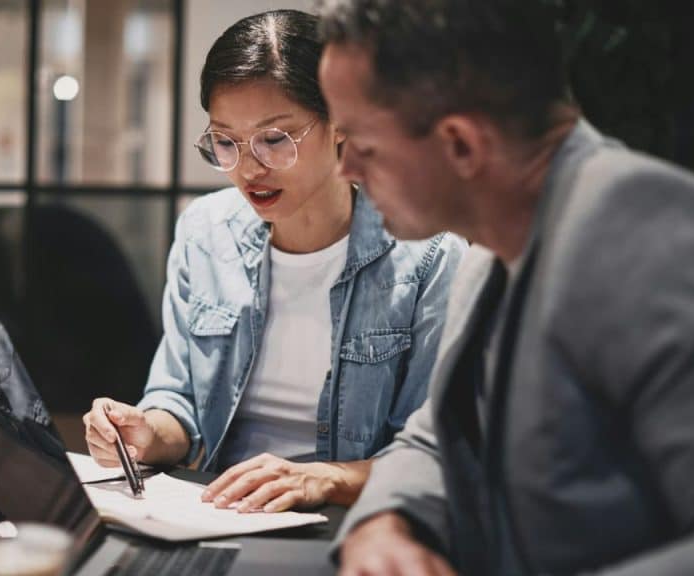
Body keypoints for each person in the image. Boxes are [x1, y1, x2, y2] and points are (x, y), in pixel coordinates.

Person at [316, 1, 694, 574]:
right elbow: (435, 441)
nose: (345, 167)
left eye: (363, 145)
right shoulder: (490, 254)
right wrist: (384, 524)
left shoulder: (660, 243)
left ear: (461, 145)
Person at [82, 9, 471, 514]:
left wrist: (322, 480)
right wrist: (145, 433)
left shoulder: (428, 254)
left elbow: (433, 455)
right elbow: (178, 401)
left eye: (274, 139)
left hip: (354, 522)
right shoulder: (205, 233)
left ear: (340, 123)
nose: (247, 168)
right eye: (225, 142)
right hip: (215, 507)